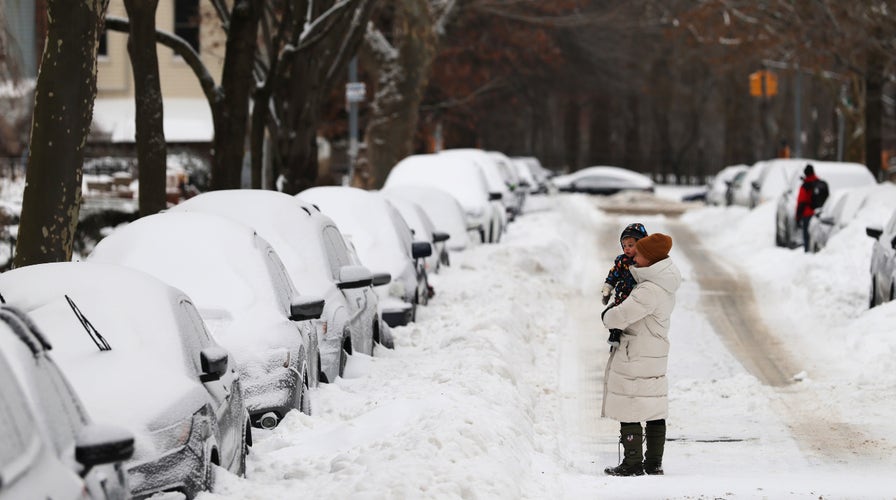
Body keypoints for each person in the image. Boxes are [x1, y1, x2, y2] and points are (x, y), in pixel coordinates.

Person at [600, 232, 681, 476]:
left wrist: (607, 314)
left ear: (652, 260)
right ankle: (653, 463)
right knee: (654, 407)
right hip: (653, 351)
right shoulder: (663, 285)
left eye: (641, 254)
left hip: (636, 352)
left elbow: (619, 316)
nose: (635, 256)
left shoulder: (648, 290)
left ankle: (632, 463)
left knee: (631, 405)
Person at [601, 223, 648, 349]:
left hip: (635, 297)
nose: (626, 249)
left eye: (630, 245)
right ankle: (615, 335)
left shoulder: (644, 261)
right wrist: (608, 287)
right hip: (621, 296)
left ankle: (619, 335)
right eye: (624, 245)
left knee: (628, 320)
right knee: (609, 315)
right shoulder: (622, 261)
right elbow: (614, 274)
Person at [795, 164, 822, 252]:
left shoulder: (805, 186)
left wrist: (798, 217)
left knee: (807, 237)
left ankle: (807, 254)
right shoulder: (820, 183)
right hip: (820, 214)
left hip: (807, 214)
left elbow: (801, 202)